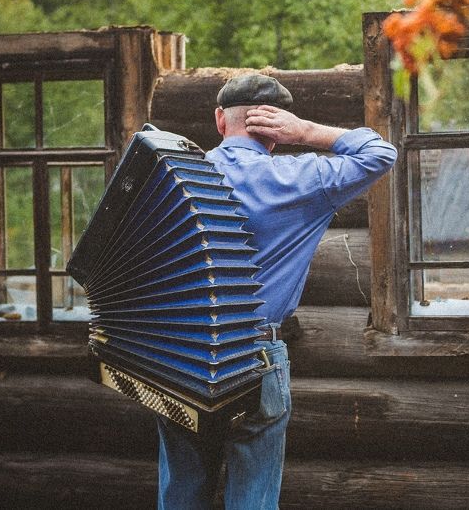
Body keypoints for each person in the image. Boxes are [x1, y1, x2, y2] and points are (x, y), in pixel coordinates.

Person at [155, 73, 397, 509]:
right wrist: (306, 131)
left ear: (218, 120)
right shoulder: (301, 177)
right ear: (276, 128)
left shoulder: (172, 176)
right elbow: (379, 153)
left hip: (179, 355)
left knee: (181, 494)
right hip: (255, 356)